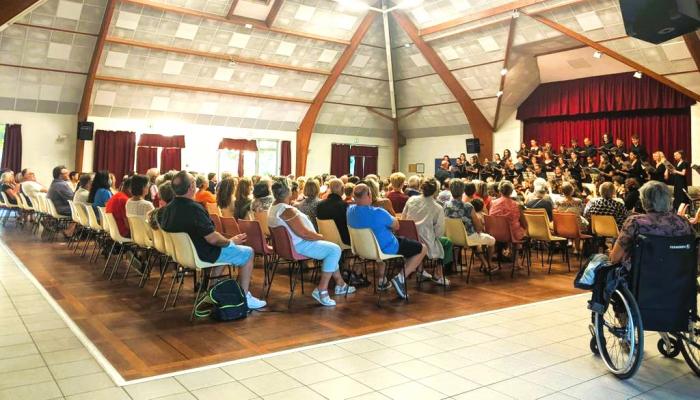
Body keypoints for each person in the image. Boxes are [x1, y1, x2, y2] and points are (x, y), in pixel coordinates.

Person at [158, 171, 266, 309]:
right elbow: (213, 239)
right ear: (191, 187)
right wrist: (231, 242)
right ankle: (244, 297)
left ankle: (212, 290)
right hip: (203, 253)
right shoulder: (194, 209)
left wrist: (228, 243)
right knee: (249, 252)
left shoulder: (168, 208)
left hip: (183, 255)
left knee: (225, 249)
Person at [268, 180, 355, 306]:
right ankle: (321, 290)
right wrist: (320, 237)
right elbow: (304, 233)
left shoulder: (274, 207)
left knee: (331, 250)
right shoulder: (286, 210)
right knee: (334, 249)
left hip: (290, 245)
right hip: (301, 244)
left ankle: (340, 283)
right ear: (289, 192)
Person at [347, 183, 427, 298]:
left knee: (388, 249)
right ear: (369, 195)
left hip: (362, 249)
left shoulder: (349, 211)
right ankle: (400, 278)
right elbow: (396, 226)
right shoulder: (378, 212)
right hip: (387, 247)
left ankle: (382, 280)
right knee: (422, 248)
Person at [610, 181, 693, 267]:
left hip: (643, 278)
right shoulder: (684, 222)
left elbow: (615, 258)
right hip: (679, 276)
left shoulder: (635, 222)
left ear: (644, 202)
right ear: (669, 200)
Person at [402, 178, 451, 286]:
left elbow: (403, 218)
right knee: (447, 243)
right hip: (425, 240)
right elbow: (439, 232)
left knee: (425, 238)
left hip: (408, 238)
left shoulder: (411, 200)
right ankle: (438, 274)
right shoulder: (437, 207)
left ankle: (420, 270)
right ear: (436, 191)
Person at [444, 180, 496, 271]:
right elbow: (478, 228)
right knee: (492, 240)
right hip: (468, 238)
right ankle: (489, 264)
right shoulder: (468, 206)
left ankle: (455, 265)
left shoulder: (446, 205)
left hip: (452, 237)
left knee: (474, 243)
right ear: (462, 191)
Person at [316, 178, 350, 246]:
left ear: (330, 189)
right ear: (343, 189)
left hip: (325, 238)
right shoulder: (344, 205)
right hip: (342, 240)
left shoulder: (320, 205)